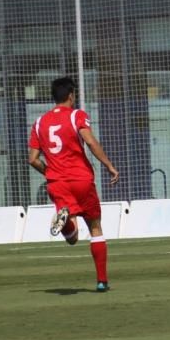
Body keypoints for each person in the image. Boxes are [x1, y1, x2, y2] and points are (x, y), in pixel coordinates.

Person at [27, 76, 120, 292]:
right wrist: (108, 165)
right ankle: (101, 281)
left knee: (72, 238)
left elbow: (32, 159)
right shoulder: (77, 115)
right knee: (95, 227)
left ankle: (67, 220)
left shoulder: (39, 122)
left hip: (57, 183)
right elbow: (90, 141)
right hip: (81, 180)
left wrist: (49, 172)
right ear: (71, 95)